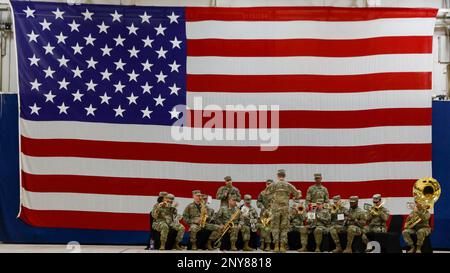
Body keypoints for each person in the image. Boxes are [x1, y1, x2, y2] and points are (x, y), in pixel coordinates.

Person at [265, 169, 301, 252]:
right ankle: (282, 246)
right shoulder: (288, 185)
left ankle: (276, 246)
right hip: (285, 209)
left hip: (275, 209)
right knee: (284, 228)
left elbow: (266, 193)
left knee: (275, 227)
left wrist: (273, 198)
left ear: (278, 176)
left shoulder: (273, 185)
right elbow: (298, 195)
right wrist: (294, 196)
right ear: (284, 175)